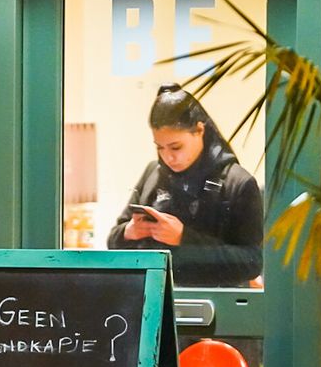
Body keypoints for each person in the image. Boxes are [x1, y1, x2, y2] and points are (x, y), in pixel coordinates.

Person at [107, 83, 263, 287]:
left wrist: (184, 238)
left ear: (200, 130)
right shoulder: (153, 173)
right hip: (155, 296)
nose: (168, 157)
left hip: (215, 301)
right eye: (160, 147)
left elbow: (251, 262)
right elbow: (113, 240)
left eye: (176, 147)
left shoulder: (238, 183)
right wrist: (129, 232)